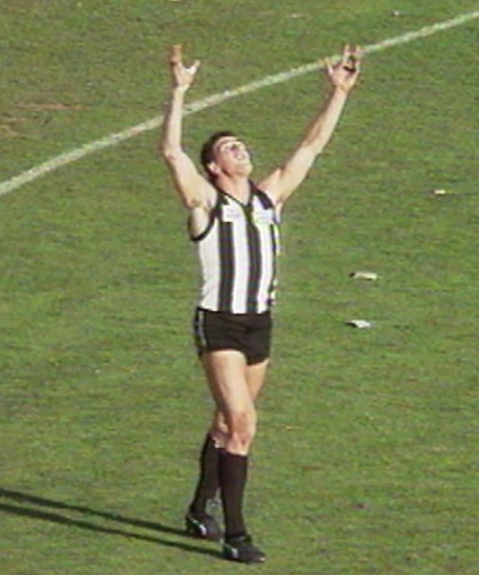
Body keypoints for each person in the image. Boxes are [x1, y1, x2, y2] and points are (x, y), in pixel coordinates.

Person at [159, 42, 362, 564]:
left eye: (241, 144)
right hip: (221, 326)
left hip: (258, 326)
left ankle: (199, 507)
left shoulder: (270, 197)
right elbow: (170, 155)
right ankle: (237, 533)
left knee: (228, 425)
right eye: (229, 147)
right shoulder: (207, 203)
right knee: (243, 424)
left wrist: (336, 94)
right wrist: (179, 92)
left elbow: (311, 147)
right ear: (213, 165)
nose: (241, 150)